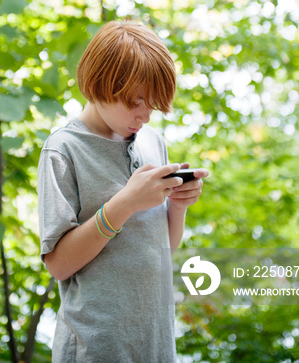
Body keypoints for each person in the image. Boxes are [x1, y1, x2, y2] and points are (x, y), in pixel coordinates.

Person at [37, 20, 208, 363]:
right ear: (99, 83)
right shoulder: (63, 150)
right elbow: (58, 264)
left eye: (153, 104)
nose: (144, 115)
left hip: (154, 341)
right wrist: (126, 202)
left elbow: (163, 247)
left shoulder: (152, 142)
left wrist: (178, 205)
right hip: (96, 346)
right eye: (135, 101)